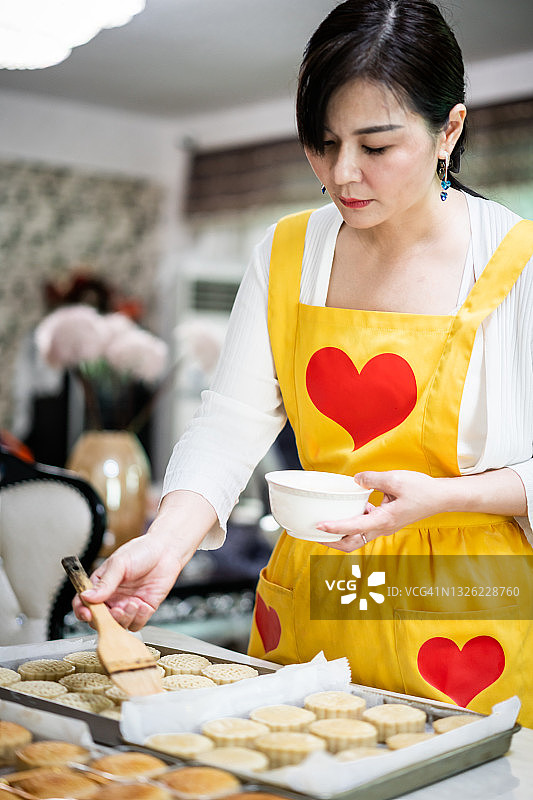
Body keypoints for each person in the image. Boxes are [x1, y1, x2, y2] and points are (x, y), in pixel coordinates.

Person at [74, 0, 533, 725]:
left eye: (375, 146)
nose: (342, 173)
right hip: (317, 588)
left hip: (465, 604)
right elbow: (230, 422)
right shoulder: (286, 251)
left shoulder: (519, 263)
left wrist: (447, 497)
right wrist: (166, 542)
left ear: (449, 129)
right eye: (322, 143)